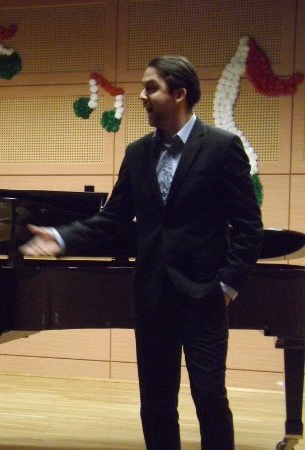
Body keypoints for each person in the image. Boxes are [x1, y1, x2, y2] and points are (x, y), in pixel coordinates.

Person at [19, 56, 263, 450]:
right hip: (152, 298)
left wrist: (226, 287)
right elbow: (113, 218)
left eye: (151, 88)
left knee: (210, 400)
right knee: (156, 406)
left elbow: (249, 228)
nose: (141, 96)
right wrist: (62, 238)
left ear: (179, 93)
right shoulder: (136, 153)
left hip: (204, 298)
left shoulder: (221, 148)